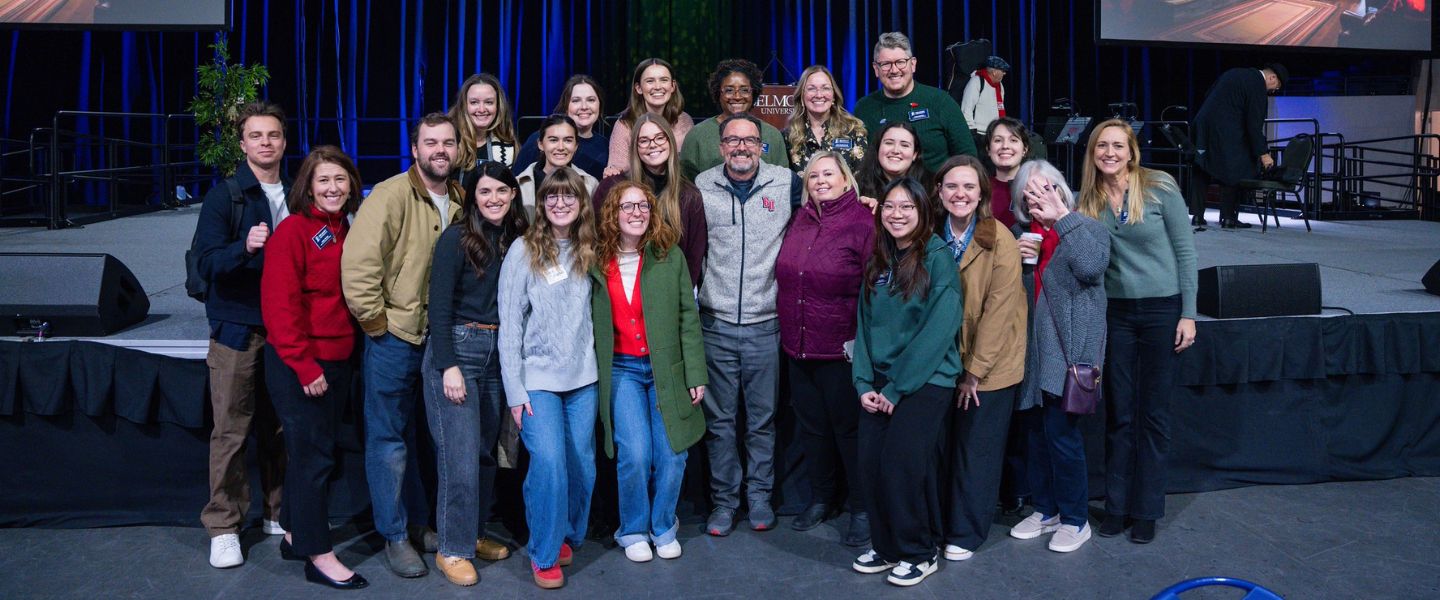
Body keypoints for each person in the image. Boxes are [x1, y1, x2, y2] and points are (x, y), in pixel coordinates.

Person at [341, 112, 461, 578]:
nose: (440, 151)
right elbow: (358, 268)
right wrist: (378, 326)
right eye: (431, 143)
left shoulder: (461, 199)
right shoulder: (391, 195)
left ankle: (418, 524)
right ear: (415, 149)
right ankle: (393, 535)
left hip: (440, 341)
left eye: (448, 143)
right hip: (395, 338)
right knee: (389, 441)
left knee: (428, 442)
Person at [1078, 118, 1198, 545]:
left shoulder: (1159, 186)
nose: (1109, 153)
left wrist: (1190, 313)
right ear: (1092, 153)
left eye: (1117, 146)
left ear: (1132, 151)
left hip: (1163, 311)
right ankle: (1117, 506)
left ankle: (1146, 509)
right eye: (1101, 146)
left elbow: (1185, 252)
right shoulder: (1086, 201)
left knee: (1154, 415)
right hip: (1117, 314)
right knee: (1120, 414)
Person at [259, 145, 367, 590]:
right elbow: (280, 311)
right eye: (323, 180)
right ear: (307, 186)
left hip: (339, 359)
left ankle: (294, 532)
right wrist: (305, 367)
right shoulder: (292, 233)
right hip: (300, 364)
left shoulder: (347, 229)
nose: (333, 188)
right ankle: (318, 554)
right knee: (314, 459)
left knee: (316, 453)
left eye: (340, 180)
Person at [849, 177, 963, 588]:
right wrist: (863, 383)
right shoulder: (878, 259)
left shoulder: (937, 258)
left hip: (926, 380)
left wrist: (896, 388)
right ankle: (887, 546)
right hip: (879, 381)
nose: (897, 215)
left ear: (922, 212)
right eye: (890, 207)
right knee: (871, 466)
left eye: (907, 208)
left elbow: (939, 330)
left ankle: (918, 551)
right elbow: (862, 326)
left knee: (901, 465)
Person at [421, 161, 528, 587]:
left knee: (485, 455)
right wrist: (448, 365)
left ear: (512, 194)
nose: (495, 199)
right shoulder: (456, 239)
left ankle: (474, 533)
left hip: (498, 353)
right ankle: (452, 549)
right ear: (471, 196)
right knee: (459, 460)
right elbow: (440, 306)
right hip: (459, 352)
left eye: (502, 191)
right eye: (485, 192)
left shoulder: (516, 239)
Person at [694, 113, 802, 536]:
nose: (741, 147)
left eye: (750, 140)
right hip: (716, 324)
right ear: (721, 147)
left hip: (765, 324)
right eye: (732, 141)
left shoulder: (787, 182)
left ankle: (759, 497)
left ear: (763, 146)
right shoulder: (702, 186)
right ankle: (724, 502)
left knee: (761, 420)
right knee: (719, 423)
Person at [589, 181, 708, 563]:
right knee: (635, 455)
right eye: (628, 206)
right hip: (622, 370)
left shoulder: (668, 256)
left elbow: (688, 318)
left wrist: (695, 374)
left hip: (666, 371)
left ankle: (662, 526)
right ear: (613, 213)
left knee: (673, 454)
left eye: (643, 206)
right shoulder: (594, 259)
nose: (637, 212)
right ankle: (634, 529)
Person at [193, 100, 289, 569]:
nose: (265, 143)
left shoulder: (299, 192)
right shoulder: (225, 195)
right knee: (231, 431)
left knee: (279, 427)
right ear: (243, 143)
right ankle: (225, 526)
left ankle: (276, 512)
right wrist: (244, 248)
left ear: (284, 142)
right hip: (238, 328)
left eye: (273, 135)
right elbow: (205, 263)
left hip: (286, 330)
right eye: (256, 136)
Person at [497, 167, 600, 590]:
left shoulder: (591, 248)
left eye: (569, 197)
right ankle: (543, 551)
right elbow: (509, 326)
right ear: (541, 204)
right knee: (550, 464)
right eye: (552, 197)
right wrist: (515, 392)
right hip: (536, 378)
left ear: (581, 203)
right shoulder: (523, 250)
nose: (560, 204)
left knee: (583, 467)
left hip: (583, 378)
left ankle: (562, 531)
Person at [1006, 160, 1110, 554]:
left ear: (1061, 191)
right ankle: (1045, 509)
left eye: (1046, 189)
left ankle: (1075, 519)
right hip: (1031, 357)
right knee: (1035, 438)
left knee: (1063, 440)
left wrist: (1062, 218)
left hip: (1068, 360)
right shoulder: (1021, 236)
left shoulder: (1087, 230)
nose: (1038, 199)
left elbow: (1090, 266)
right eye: (1029, 193)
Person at [775, 151, 875, 545]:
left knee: (849, 433)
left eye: (828, 173)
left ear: (846, 179)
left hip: (841, 351)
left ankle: (861, 507)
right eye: (813, 175)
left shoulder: (863, 222)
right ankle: (821, 498)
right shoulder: (800, 219)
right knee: (813, 430)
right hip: (799, 348)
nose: (819, 180)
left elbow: (875, 289)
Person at [930, 155, 1027, 563]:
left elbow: (998, 312)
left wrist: (973, 374)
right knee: (941, 449)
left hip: (989, 365)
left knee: (976, 452)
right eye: (952, 186)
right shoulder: (929, 234)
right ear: (939, 191)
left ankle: (967, 532)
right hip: (942, 362)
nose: (960, 194)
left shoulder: (999, 238)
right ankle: (939, 524)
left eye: (969, 187)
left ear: (982, 194)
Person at [592, 113, 708, 287]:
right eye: (644, 140)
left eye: (659, 138)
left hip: (668, 292)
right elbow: (595, 241)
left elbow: (693, 256)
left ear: (670, 141)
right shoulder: (611, 187)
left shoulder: (689, 196)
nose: (653, 145)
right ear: (635, 148)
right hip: (619, 289)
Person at [853, 31, 977, 172]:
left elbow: (968, 157)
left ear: (913, 64)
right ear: (876, 69)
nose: (894, 70)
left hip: (934, 192)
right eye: (886, 64)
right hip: (880, 192)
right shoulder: (863, 108)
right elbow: (859, 163)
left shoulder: (941, 101)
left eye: (900, 62)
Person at [1190, 63, 1287, 229]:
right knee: (1235, 167)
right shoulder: (1257, 86)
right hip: (1226, 131)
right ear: (1272, 78)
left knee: (1202, 166)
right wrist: (1263, 153)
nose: (1272, 92)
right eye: (1275, 88)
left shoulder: (1233, 72)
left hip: (1202, 125)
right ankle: (1228, 218)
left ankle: (1197, 216)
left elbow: (1209, 94)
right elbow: (1253, 124)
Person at [680, 59, 791, 180]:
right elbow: (686, 187)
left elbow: (782, 182)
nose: (737, 96)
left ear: (753, 93)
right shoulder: (697, 135)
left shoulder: (772, 135)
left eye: (744, 90)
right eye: (729, 90)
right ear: (718, 93)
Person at [607, 58, 694, 178]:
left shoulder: (684, 120)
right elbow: (616, 172)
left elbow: (688, 168)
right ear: (638, 88)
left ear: (673, 86)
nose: (658, 86)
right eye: (650, 81)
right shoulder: (625, 124)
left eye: (664, 80)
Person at [513, 74, 609, 177]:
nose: (584, 107)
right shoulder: (539, 139)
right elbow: (517, 181)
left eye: (591, 100)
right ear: (566, 106)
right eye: (576, 100)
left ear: (600, 104)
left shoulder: (605, 146)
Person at [785, 65, 868, 174]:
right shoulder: (789, 136)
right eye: (811, 89)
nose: (819, 95)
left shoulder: (854, 130)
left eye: (825, 88)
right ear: (801, 96)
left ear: (833, 95)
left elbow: (862, 178)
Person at [515, 114, 600, 219]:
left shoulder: (590, 184)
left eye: (568, 140)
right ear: (540, 144)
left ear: (576, 146)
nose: (561, 147)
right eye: (553, 140)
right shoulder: (520, 184)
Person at [449, 73, 518, 177]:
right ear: (464, 105)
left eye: (489, 102)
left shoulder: (508, 148)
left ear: (498, 106)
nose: (481, 109)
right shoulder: (448, 142)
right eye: (474, 102)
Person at [856, 121, 932, 201]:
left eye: (904, 145)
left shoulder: (932, 188)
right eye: (889, 143)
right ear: (878, 149)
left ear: (915, 154)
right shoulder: (856, 187)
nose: (896, 150)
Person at [984, 117, 1031, 229]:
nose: (1005, 146)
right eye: (998, 140)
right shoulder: (980, 188)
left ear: (1025, 149)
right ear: (988, 149)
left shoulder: (1036, 187)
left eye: (1013, 140)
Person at [960, 56, 1011, 149]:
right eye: (1002, 70)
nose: (1004, 73)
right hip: (979, 135)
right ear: (994, 72)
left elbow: (1000, 107)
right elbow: (966, 108)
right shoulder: (976, 81)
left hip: (995, 133)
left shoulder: (999, 86)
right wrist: (972, 132)